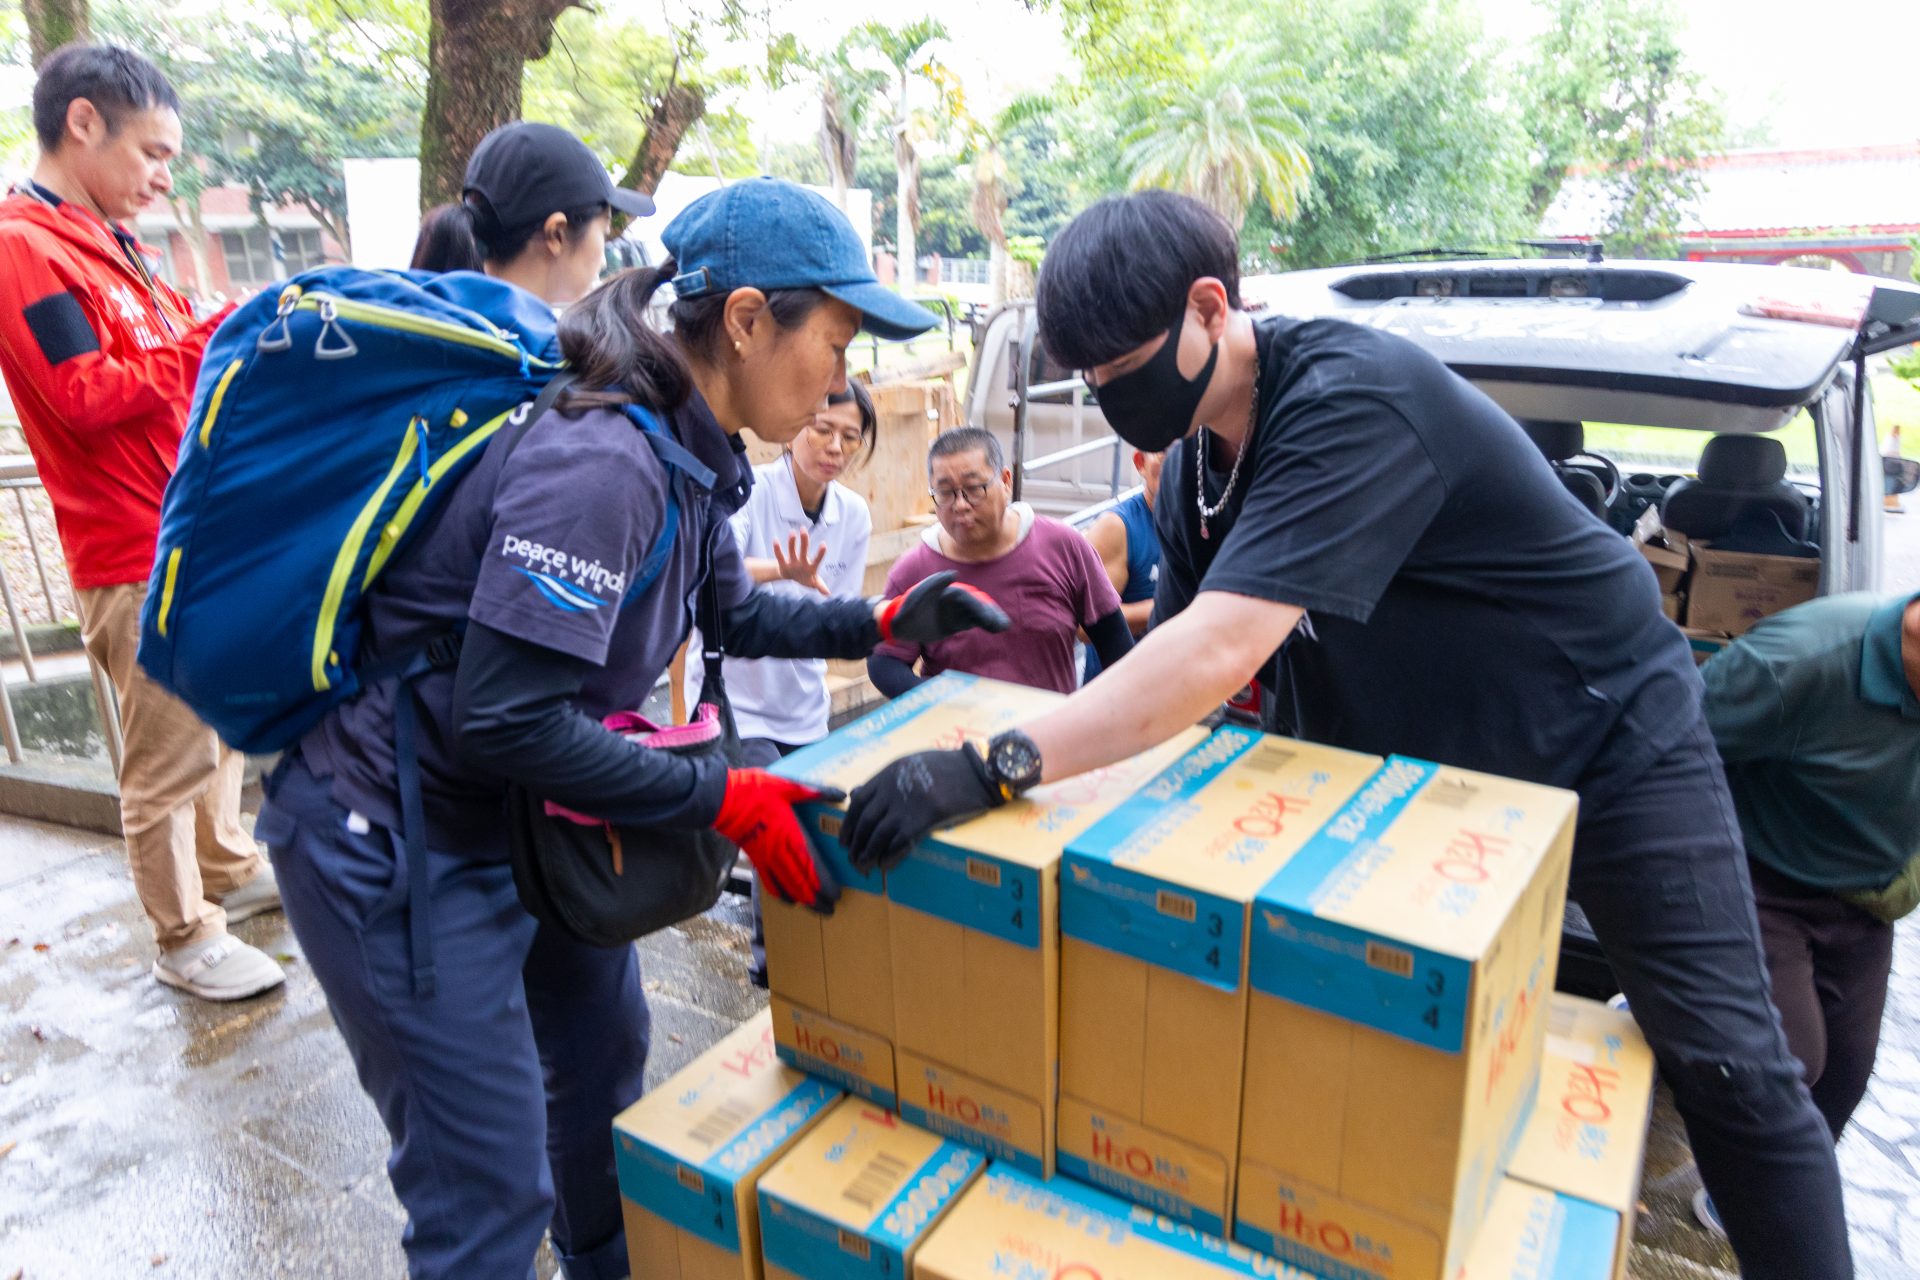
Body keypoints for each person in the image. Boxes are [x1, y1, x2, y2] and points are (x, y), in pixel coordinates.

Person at [839, 191, 1852, 1280]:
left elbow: (1220, 647)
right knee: (1374, 1031)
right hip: (1422, 768)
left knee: (1734, 1067)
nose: (1104, 394)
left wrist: (995, 763)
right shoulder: (1192, 468)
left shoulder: (1350, 400)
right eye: (1083, 377)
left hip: (1604, 732)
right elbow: (1170, 669)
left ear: (1210, 307)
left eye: (1117, 365)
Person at [255, 156, 1004, 1280]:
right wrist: (729, 791)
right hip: (393, 834)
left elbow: (733, 615)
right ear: (747, 320)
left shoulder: (686, 445)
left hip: (513, 810)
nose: (843, 379)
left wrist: (884, 616)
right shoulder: (601, 459)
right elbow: (507, 717)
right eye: (839, 343)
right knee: (486, 1185)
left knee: (605, 1055)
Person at [0, 44, 281, 1002]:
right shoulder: (23, 249)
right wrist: (209, 338)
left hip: (189, 519)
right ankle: (182, 934)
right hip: (129, 543)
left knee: (218, 722)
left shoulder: (110, 241)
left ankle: (227, 868)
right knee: (163, 755)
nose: (164, 177)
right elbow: (81, 395)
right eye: (153, 153)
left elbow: (156, 364)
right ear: (84, 123)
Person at [1693, 591, 1920, 1234]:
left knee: (1847, 1071)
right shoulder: (1798, 661)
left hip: (1866, 894)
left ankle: (1763, 1190)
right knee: (1790, 1064)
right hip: (1762, 877)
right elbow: (1667, 752)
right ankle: (1670, 1013)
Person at [687, 379, 877, 987]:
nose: (834, 446)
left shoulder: (853, 514)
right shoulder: (750, 491)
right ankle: (779, 972)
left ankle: (819, 953)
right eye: (823, 429)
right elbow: (719, 574)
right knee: (778, 824)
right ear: (795, 426)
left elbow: (834, 617)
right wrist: (782, 570)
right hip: (739, 703)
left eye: (849, 437)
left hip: (803, 705)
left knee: (823, 825)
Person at [868, 427, 1132, 697]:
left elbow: (1114, 641)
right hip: (957, 732)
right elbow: (885, 663)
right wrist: (941, 702)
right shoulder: (914, 571)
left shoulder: (1063, 546)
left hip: (1050, 730)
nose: (960, 505)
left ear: (1005, 482)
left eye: (974, 489)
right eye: (945, 493)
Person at [1081, 447, 1162, 682]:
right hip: (1119, 693)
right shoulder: (1117, 528)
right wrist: (1164, 607)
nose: (1176, 463)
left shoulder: (1203, 522)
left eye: (1184, 450)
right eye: (1164, 454)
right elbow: (1085, 627)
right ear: (1140, 462)